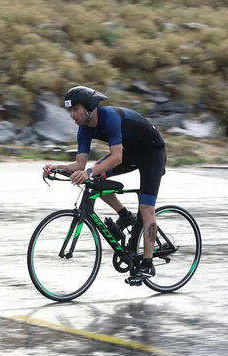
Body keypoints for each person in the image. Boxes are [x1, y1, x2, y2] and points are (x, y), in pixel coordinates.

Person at [42, 86, 166, 283]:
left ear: (90, 108)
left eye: (76, 109)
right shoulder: (83, 128)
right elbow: (79, 165)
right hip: (130, 152)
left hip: (152, 154)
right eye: (70, 110)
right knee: (95, 179)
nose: (72, 115)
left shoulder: (110, 118)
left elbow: (115, 158)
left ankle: (148, 265)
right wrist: (56, 167)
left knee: (146, 208)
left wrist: (89, 172)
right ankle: (125, 215)